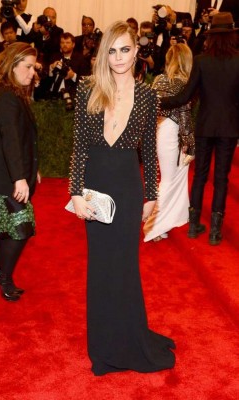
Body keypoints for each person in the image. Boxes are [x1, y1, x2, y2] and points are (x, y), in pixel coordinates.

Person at [68, 20, 176, 375]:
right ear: (105, 54)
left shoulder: (147, 96)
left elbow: (150, 149)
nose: (118, 57)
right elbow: (79, 145)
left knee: (125, 267)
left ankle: (130, 338)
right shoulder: (88, 89)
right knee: (101, 267)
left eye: (125, 49)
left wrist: (151, 195)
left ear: (135, 52)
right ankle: (103, 349)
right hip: (96, 187)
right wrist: (75, 191)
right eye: (112, 50)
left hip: (128, 188)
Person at [159, 12, 239, 246]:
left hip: (205, 126)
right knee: (222, 178)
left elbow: (184, 96)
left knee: (200, 175)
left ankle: (193, 227)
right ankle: (215, 231)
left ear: (211, 36)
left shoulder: (202, 61)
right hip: (229, 128)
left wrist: (157, 101)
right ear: (232, 35)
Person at [0, 42, 39, 302]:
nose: (32, 72)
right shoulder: (7, 97)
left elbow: (22, 138)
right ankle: (2, 275)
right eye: (28, 67)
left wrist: (32, 169)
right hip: (4, 179)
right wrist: (19, 177)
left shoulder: (12, 93)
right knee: (20, 228)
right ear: (12, 65)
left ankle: (3, 276)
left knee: (13, 230)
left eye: (33, 67)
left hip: (8, 175)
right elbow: (10, 139)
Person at [143, 43, 195, 242]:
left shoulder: (159, 79)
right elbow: (184, 115)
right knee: (168, 179)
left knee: (170, 176)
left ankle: (170, 218)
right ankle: (153, 226)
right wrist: (190, 144)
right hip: (172, 131)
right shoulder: (183, 83)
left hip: (159, 130)